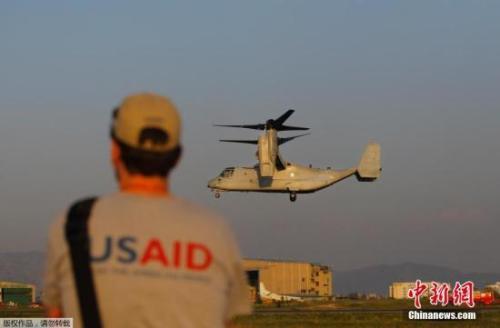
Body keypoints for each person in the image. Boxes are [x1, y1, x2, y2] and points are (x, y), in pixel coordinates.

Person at [43, 93, 251, 327]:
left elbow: (54, 318)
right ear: (178, 157)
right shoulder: (216, 232)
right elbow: (227, 321)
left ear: (114, 150)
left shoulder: (73, 224)